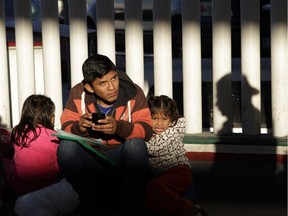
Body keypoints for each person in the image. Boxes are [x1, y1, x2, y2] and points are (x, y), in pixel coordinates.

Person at [58, 54, 153, 215]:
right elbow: (66, 125)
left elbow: (147, 130)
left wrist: (119, 128)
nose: (112, 87)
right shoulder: (78, 92)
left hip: (121, 157)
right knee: (66, 147)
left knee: (136, 145)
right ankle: (88, 202)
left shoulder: (134, 91)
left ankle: (129, 205)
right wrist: (79, 128)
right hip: (91, 157)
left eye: (114, 78)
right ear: (89, 87)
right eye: (103, 83)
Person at [3, 94, 79, 216]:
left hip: (20, 188)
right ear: (48, 116)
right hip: (47, 185)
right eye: (53, 114)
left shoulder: (17, 132)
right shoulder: (54, 136)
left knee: (7, 160)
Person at [144, 95, 207, 216]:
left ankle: (191, 211)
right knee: (149, 201)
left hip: (178, 171)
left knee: (154, 188)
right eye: (155, 118)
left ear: (171, 120)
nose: (159, 123)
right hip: (162, 174)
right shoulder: (152, 133)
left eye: (164, 119)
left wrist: (136, 137)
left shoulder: (172, 132)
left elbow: (154, 148)